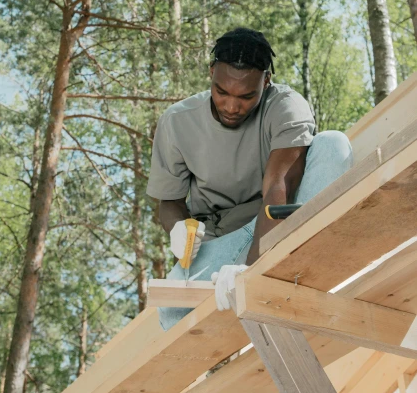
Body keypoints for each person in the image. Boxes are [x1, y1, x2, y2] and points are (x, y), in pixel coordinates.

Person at [146, 26, 353, 330]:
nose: (231, 106)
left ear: (266, 81)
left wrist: (251, 269)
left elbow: (278, 186)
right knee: (173, 312)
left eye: (246, 96)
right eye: (222, 92)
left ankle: (304, 265)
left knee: (333, 144)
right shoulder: (176, 122)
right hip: (223, 239)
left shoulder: (286, 106)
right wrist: (178, 228)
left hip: (278, 224)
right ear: (211, 72)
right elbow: (169, 202)